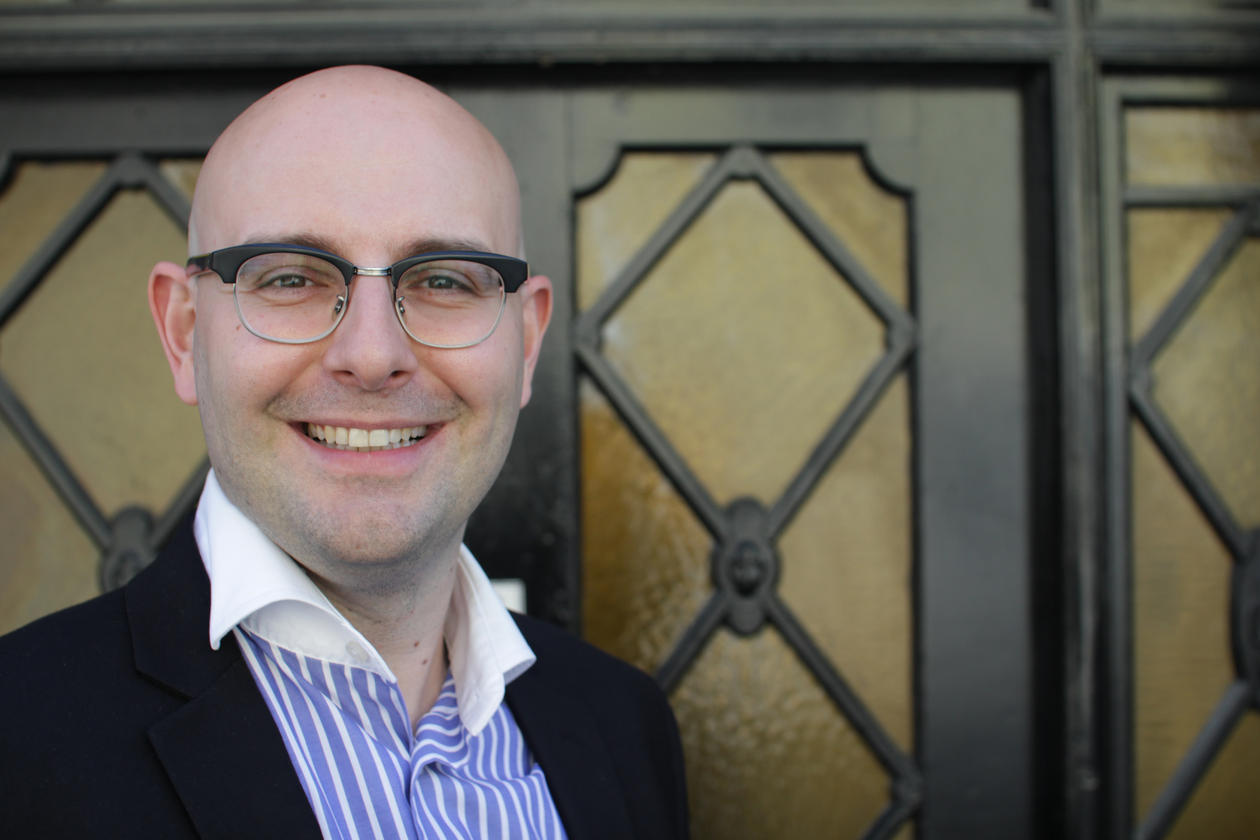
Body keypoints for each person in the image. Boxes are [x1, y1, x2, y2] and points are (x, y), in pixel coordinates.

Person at [0, 65, 687, 839]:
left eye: (444, 281)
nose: (371, 354)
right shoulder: (17, 742)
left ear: (525, 343)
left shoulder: (625, 727)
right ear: (184, 333)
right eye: (290, 277)